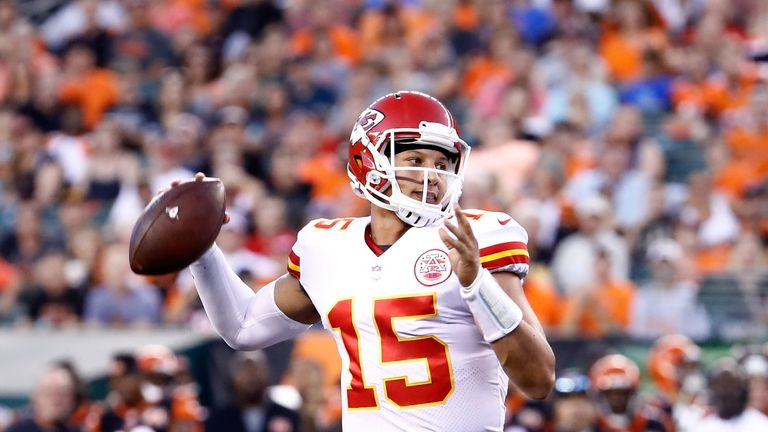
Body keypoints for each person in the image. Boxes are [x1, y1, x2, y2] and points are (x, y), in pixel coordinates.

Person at [180, 91, 555, 430]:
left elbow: (538, 378)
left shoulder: (477, 237)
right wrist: (201, 250)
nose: (434, 175)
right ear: (369, 162)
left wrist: (477, 284)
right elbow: (243, 327)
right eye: (416, 158)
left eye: (443, 164)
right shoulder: (327, 246)